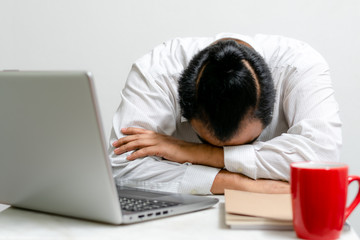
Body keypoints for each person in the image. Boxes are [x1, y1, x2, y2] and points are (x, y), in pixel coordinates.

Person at [108, 33, 342, 195]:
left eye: (247, 143)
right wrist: (238, 183)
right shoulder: (157, 70)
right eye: (205, 142)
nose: (221, 150)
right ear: (185, 110)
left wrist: (194, 151)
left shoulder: (299, 65)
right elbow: (121, 168)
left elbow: (323, 159)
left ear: (269, 108)